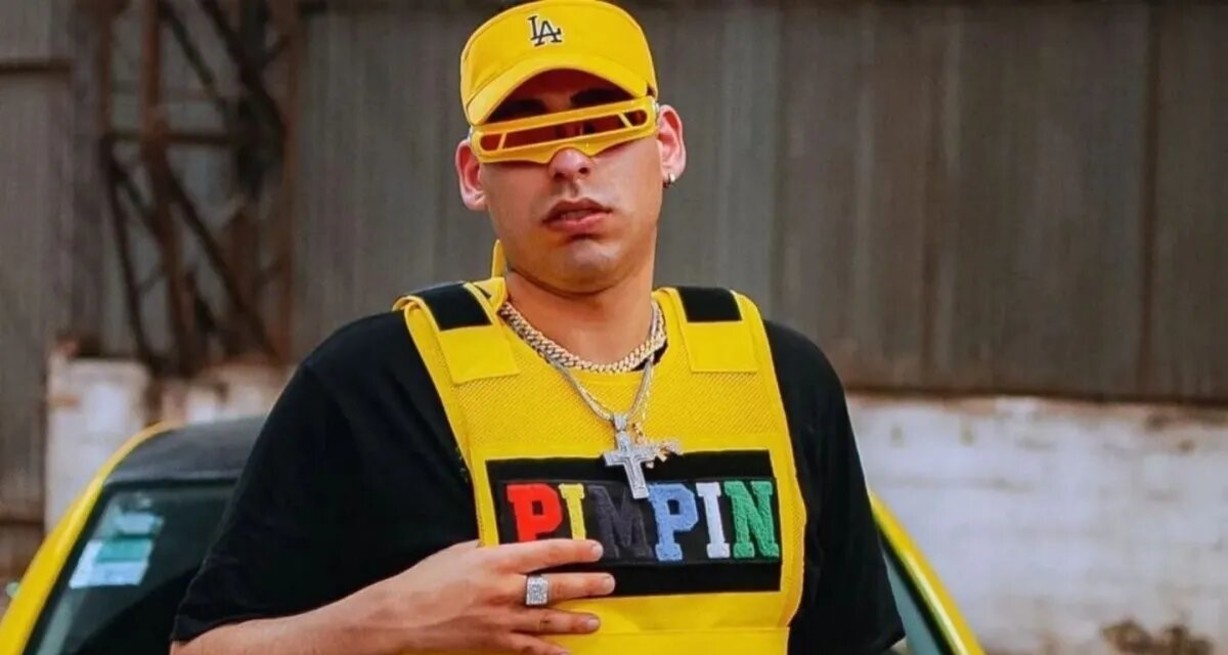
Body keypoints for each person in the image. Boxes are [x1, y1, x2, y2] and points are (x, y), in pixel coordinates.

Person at [169, 1, 905, 654]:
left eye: (603, 121)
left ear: (668, 145)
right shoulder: (374, 385)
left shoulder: (781, 379)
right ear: (473, 174)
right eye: (525, 131)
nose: (569, 161)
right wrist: (388, 622)